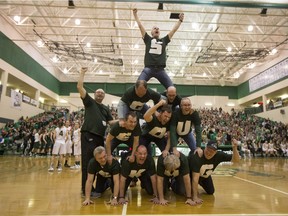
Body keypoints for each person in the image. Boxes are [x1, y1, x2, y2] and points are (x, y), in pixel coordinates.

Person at [77, 67, 115, 196]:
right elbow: (80, 87)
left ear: (104, 96)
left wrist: (124, 121)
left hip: (100, 138)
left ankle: (98, 187)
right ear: (94, 94)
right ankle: (85, 189)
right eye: (98, 92)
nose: (100, 94)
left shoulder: (105, 108)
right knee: (87, 163)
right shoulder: (89, 102)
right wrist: (82, 73)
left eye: (102, 93)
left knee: (99, 162)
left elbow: (111, 122)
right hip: (88, 135)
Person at [133, 8, 184, 89]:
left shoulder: (164, 40)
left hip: (160, 70)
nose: (156, 29)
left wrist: (180, 21)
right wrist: (135, 15)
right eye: (154, 28)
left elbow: (173, 30)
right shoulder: (148, 39)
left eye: (158, 28)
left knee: (172, 88)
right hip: (148, 68)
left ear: (159, 32)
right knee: (139, 85)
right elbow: (140, 26)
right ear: (151, 32)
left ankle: (163, 98)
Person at [188, 139, 240, 205]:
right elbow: (195, 179)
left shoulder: (219, 155)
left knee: (211, 191)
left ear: (215, 152)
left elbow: (236, 160)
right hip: (191, 176)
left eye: (212, 151)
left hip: (204, 177)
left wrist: (234, 148)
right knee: (182, 191)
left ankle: (198, 185)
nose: (209, 153)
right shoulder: (198, 156)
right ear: (205, 147)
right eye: (208, 150)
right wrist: (195, 197)